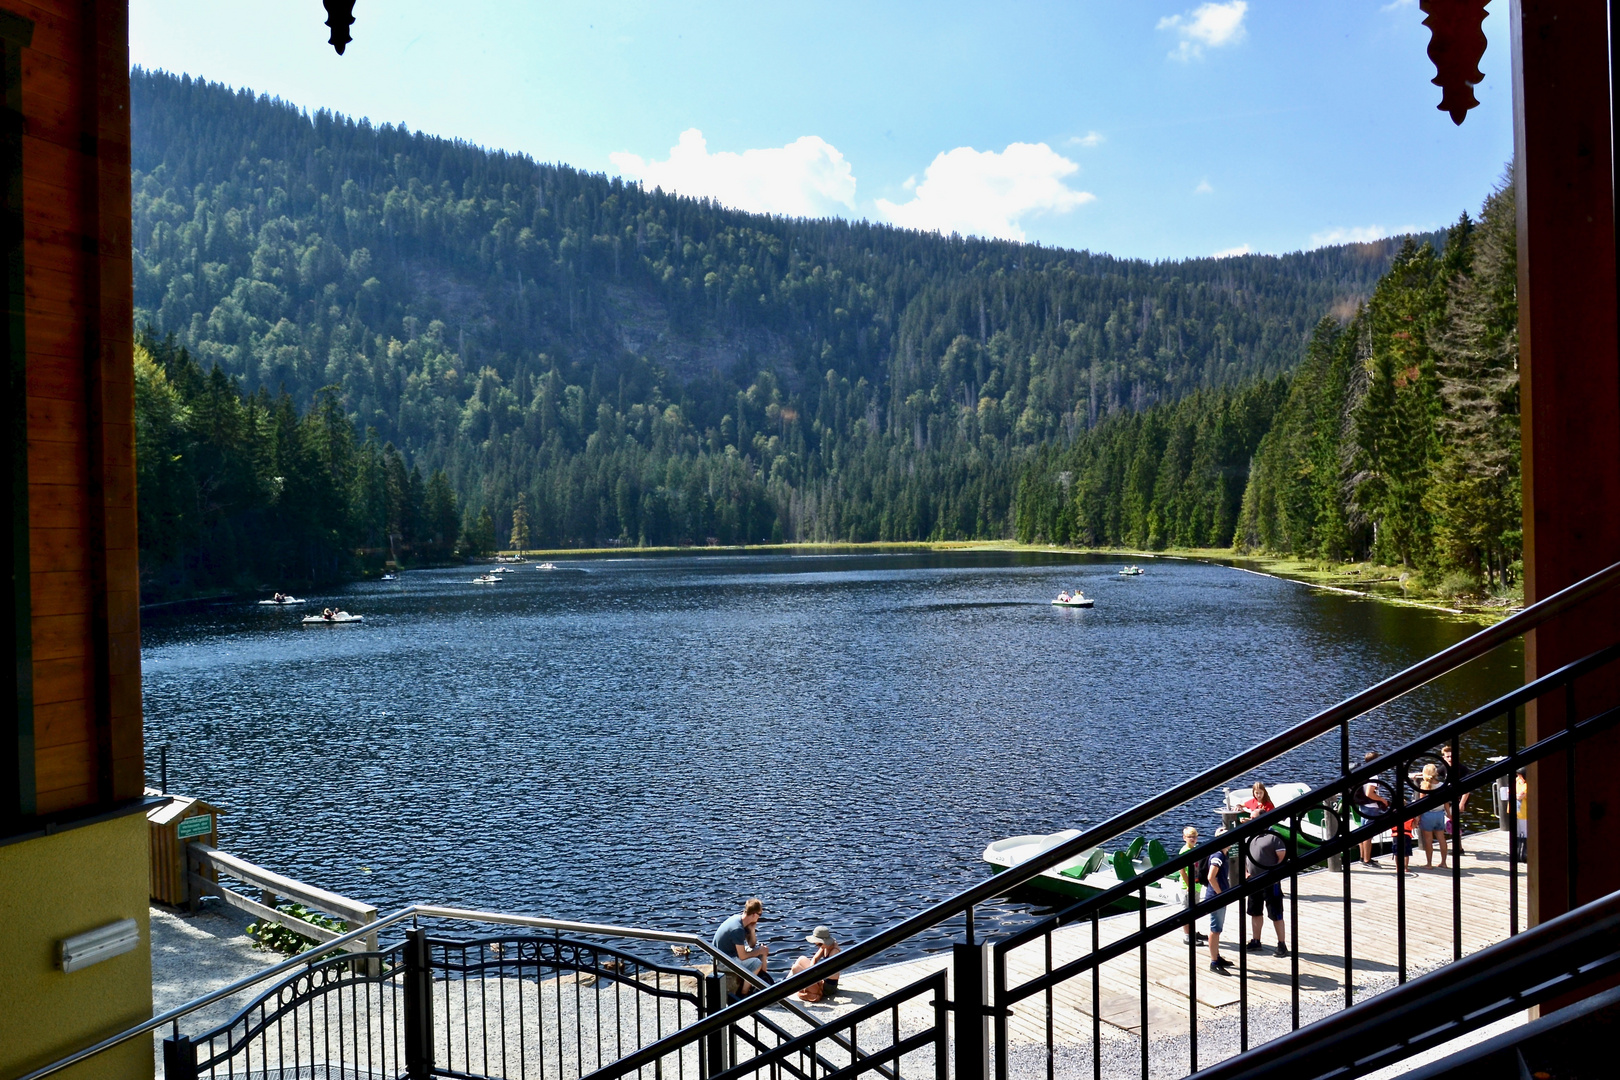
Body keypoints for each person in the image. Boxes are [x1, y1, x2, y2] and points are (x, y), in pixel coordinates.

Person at [1243, 829, 1289, 957]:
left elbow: (1282, 857)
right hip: (1253, 881)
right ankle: (1256, 941)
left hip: (1270, 882)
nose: (1250, 819)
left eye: (1253, 817)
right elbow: (1245, 856)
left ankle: (1282, 944)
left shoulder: (1274, 836)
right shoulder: (1249, 836)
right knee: (1255, 912)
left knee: (1276, 913)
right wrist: (1246, 872)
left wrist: (1275, 874)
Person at [713, 898, 770, 993]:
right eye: (760, 914)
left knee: (760, 950)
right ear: (754, 914)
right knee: (756, 963)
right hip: (722, 961)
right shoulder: (737, 929)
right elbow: (742, 956)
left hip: (730, 954)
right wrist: (759, 951)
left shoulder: (743, 921)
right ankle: (744, 993)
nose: (759, 917)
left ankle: (763, 982)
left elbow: (752, 945)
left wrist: (752, 930)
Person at [1354, 751, 1390, 868]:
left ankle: (1363, 857)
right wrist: (1382, 800)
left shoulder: (1364, 771)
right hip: (1371, 808)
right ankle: (1367, 860)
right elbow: (1369, 793)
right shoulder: (1374, 775)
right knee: (1368, 835)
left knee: (1362, 833)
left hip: (1364, 806)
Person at [1205, 827, 1233, 974]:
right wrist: (1220, 894)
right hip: (1216, 898)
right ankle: (1214, 961)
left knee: (1218, 929)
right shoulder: (1219, 856)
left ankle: (1217, 956)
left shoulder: (1223, 854)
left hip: (1218, 896)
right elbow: (1211, 877)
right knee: (1215, 930)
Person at [789, 925, 842, 1002]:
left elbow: (830, 971)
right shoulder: (825, 946)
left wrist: (813, 976)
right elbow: (815, 959)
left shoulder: (834, 952)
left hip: (827, 987)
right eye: (817, 944)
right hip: (821, 979)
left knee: (795, 968)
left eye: (820, 944)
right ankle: (784, 982)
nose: (818, 946)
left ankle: (786, 987)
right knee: (801, 958)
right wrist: (811, 971)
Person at [1438, 744, 1472, 855]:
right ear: (1443, 757)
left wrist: (1461, 804)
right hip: (1450, 799)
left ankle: (1458, 848)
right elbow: (1433, 774)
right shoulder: (1444, 767)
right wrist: (1418, 775)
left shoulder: (1462, 769)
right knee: (1451, 821)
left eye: (1452, 756)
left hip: (1460, 799)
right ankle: (1459, 847)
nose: (1450, 758)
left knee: (1453, 821)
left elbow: (1467, 788)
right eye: (1447, 756)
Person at [1178, 826, 1207, 946]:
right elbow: (1182, 870)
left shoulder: (1194, 849)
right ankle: (1187, 935)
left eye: (1194, 837)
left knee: (1194, 910)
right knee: (1186, 911)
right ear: (1184, 838)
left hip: (1196, 885)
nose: (1193, 839)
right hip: (1187, 886)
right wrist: (1189, 884)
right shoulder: (1184, 851)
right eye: (1190, 837)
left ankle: (1192, 932)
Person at [1417, 763, 1448, 869]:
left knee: (1428, 841)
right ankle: (1444, 862)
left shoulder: (1424, 785)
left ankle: (1429, 864)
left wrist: (1418, 817)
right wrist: (1448, 813)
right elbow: (1446, 802)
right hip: (1440, 814)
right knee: (1441, 838)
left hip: (1428, 815)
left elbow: (1421, 804)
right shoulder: (1442, 785)